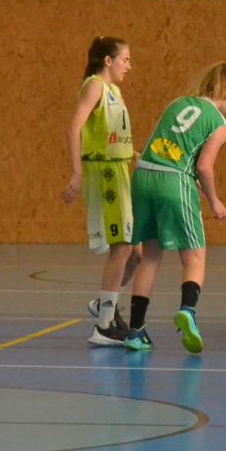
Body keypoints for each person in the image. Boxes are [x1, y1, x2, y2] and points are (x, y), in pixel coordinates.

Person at [124, 63, 226, 354]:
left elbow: (158, 146)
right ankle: (188, 310)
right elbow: (204, 166)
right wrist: (214, 199)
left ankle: (136, 331)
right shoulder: (220, 122)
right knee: (195, 256)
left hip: (143, 176)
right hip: (174, 182)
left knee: (151, 255)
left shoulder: (177, 103)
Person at [62, 36, 140, 345]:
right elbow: (73, 128)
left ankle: (104, 303)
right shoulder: (95, 86)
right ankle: (104, 326)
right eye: (125, 59)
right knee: (122, 247)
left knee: (136, 253)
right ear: (108, 61)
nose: (129, 66)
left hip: (119, 168)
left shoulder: (114, 91)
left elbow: (113, 137)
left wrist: (136, 155)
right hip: (105, 173)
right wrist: (77, 172)